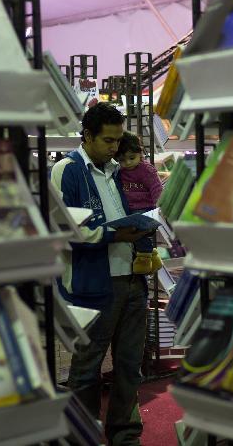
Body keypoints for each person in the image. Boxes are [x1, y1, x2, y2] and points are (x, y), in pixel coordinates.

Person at [50, 102, 151, 445]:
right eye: (108, 141)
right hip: (92, 286)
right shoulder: (67, 170)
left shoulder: (117, 169)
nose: (114, 148)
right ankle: (83, 436)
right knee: (85, 371)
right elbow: (64, 230)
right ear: (88, 135)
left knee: (129, 365)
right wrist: (113, 234)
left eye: (118, 140)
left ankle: (125, 434)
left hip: (131, 280)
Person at [115, 131, 164, 275]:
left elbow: (156, 188)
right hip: (129, 209)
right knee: (131, 232)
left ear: (140, 153)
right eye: (122, 160)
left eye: (132, 157)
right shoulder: (119, 171)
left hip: (145, 209)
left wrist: (159, 206)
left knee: (137, 231)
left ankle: (144, 256)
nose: (128, 163)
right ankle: (152, 255)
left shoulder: (146, 170)